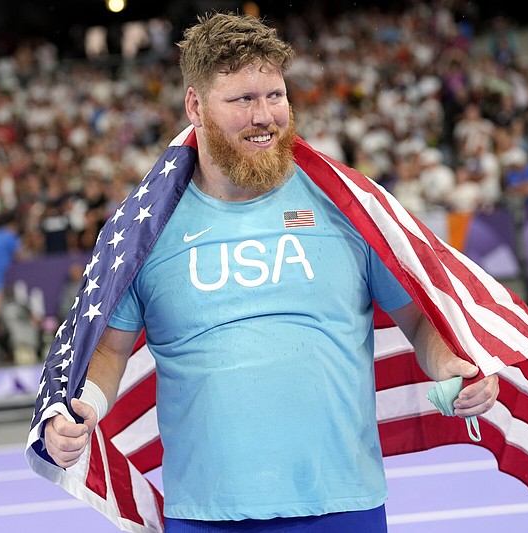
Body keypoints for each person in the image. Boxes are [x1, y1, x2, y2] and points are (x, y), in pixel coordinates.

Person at [40, 13, 499, 533]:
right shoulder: (148, 231)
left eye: (275, 96)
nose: (265, 116)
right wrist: (82, 410)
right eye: (242, 100)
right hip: (206, 516)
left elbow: (419, 319)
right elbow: (108, 349)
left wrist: (448, 366)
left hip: (342, 504)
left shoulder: (347, 207)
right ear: (195, 106)